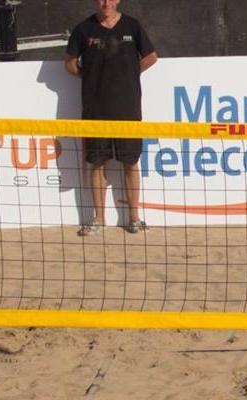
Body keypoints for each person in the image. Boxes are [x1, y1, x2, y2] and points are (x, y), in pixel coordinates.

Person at [64, 0, 157, 236]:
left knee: (130, 161)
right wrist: (93, 78)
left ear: (117, 1)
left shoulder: (132, 26)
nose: (106, 3)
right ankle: (98, 218)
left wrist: (126, 73)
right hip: (96, 108)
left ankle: (134, 218)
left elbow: (151, 57)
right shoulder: (83, 29)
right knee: (96, 162)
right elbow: (71, 65)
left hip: (127, 106)